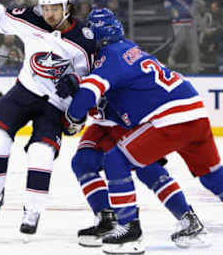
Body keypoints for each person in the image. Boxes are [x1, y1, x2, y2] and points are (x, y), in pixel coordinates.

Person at [58, 8, 223, 254]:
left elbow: (89, 95)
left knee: (116, 160)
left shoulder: (109, 55)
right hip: (194, 111)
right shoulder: (129, 49)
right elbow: (118, 101)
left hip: (169, 118)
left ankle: (129, 231)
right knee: (211, 174)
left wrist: (72, 116)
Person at [0, 0, 96, 235]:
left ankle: (33, 211)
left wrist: (78, 82)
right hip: (24, 91)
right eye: (45, 7)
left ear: (67, 7)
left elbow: (95, 78)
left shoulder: (84, 40)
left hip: (55, 106)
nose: (49, 13)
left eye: (55, 8)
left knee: (41, 154)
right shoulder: (31, 19)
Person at [68, 102, 206, 248]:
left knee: (148, 170)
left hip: (134, 121)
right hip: (102, 125)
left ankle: (188, 218)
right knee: (83, 162)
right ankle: (107, 218)